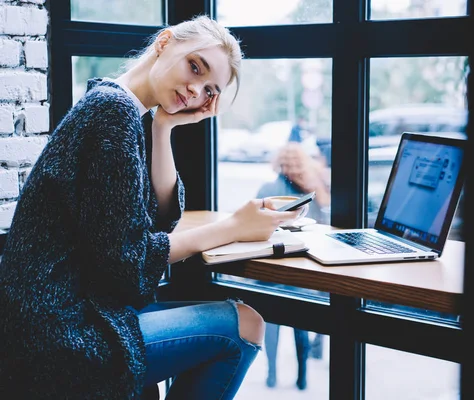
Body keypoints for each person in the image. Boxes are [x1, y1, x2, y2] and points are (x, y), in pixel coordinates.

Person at [0, 15, 302, 400]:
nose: (195, 91)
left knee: (237, 321)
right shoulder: (113, 113)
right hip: (60, 333)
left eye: (209, 90)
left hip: (62, 316)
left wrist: (163, 127)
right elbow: (129, 265)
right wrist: (234, 228)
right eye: (195, 67)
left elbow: (161, 219)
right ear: (164, 42)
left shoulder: (116, 104)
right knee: (245, 325)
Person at [256, 142, 330, 390]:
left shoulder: (267, 189)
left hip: (269, 272)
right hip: (302, 276)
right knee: (301, 326)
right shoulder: (313, 193)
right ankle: (302, 377)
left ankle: (272, 374)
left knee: (271, 324)